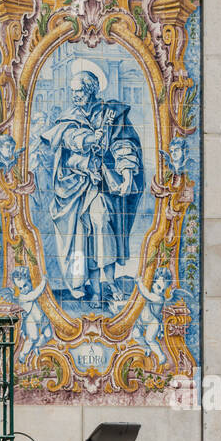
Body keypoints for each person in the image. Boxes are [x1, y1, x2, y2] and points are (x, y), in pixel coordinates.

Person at [38, 71, 143, 304]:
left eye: (79, 91)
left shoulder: (112, 113)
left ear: (92, 90)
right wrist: (88, 140)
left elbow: (124, 144)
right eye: (73, 91)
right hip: (74, 186)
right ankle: (94, 289)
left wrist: (126, 175)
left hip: (101, 185)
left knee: (101, 220)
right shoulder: (70, 116)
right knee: (83, 236)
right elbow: (67, 139)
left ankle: (109, 281)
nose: (74, 95)